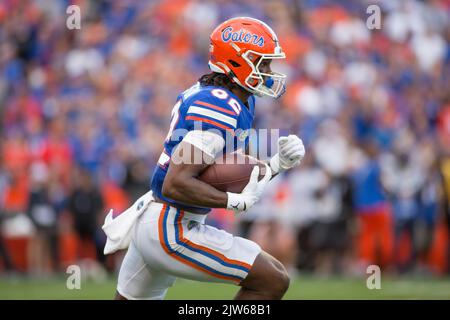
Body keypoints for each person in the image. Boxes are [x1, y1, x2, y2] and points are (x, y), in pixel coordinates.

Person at [113, 17, 305, 300]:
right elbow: (175, 183)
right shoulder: (217, 105)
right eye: (262, 63)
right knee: (272, 279)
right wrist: (231, 203)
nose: (268, 72)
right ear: (237, 61)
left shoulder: (235, 99)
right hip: (171, 228)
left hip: (161, 219)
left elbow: (235, 170)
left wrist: (277, 164)